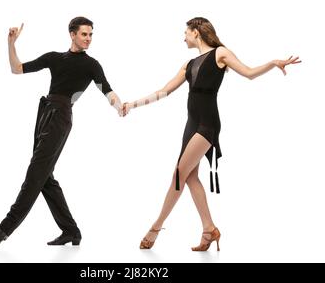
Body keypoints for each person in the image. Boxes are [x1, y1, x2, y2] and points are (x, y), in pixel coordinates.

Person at [122, 17, 301, 251]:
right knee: (189, 177)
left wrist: (272, 63)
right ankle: (209, 229)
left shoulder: (220, 54)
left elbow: (248, 72)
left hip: (207, 124)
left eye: (185, 32)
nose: (183, 36)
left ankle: (155, 228)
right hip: (190, 125)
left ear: (196, 32)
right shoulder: (188, 64)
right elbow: (163, 91)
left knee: (178, 175)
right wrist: (132, 104)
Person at [0, 17, 124, 249]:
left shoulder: (92, 65)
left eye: (91, 35)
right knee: (45, 177)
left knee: (35, 174)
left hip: (60, 118)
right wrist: (11, 43)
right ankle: (71, 231)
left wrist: (119, 106)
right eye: (84, 34)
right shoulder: (54, 58)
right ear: (72, 34)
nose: (88, 39)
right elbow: (16, 69)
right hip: (45, 113)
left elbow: (107, 90)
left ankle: (4, 229)